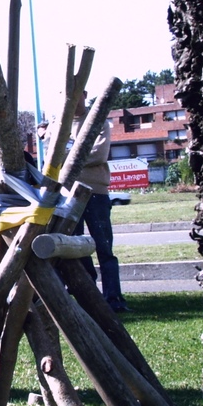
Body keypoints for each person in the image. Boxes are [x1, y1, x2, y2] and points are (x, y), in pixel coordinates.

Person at [70, 92, 130, 313]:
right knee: (76, 248)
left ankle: (114, 300)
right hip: (69, 196)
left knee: (104, 248)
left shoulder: (98, 122)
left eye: (75, 91)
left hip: (95, 192)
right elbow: (50, 154)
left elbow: (99, 155)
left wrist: (69, 157)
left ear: (83, 94)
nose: (70, 96)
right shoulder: (59, 124)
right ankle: (89, 299)